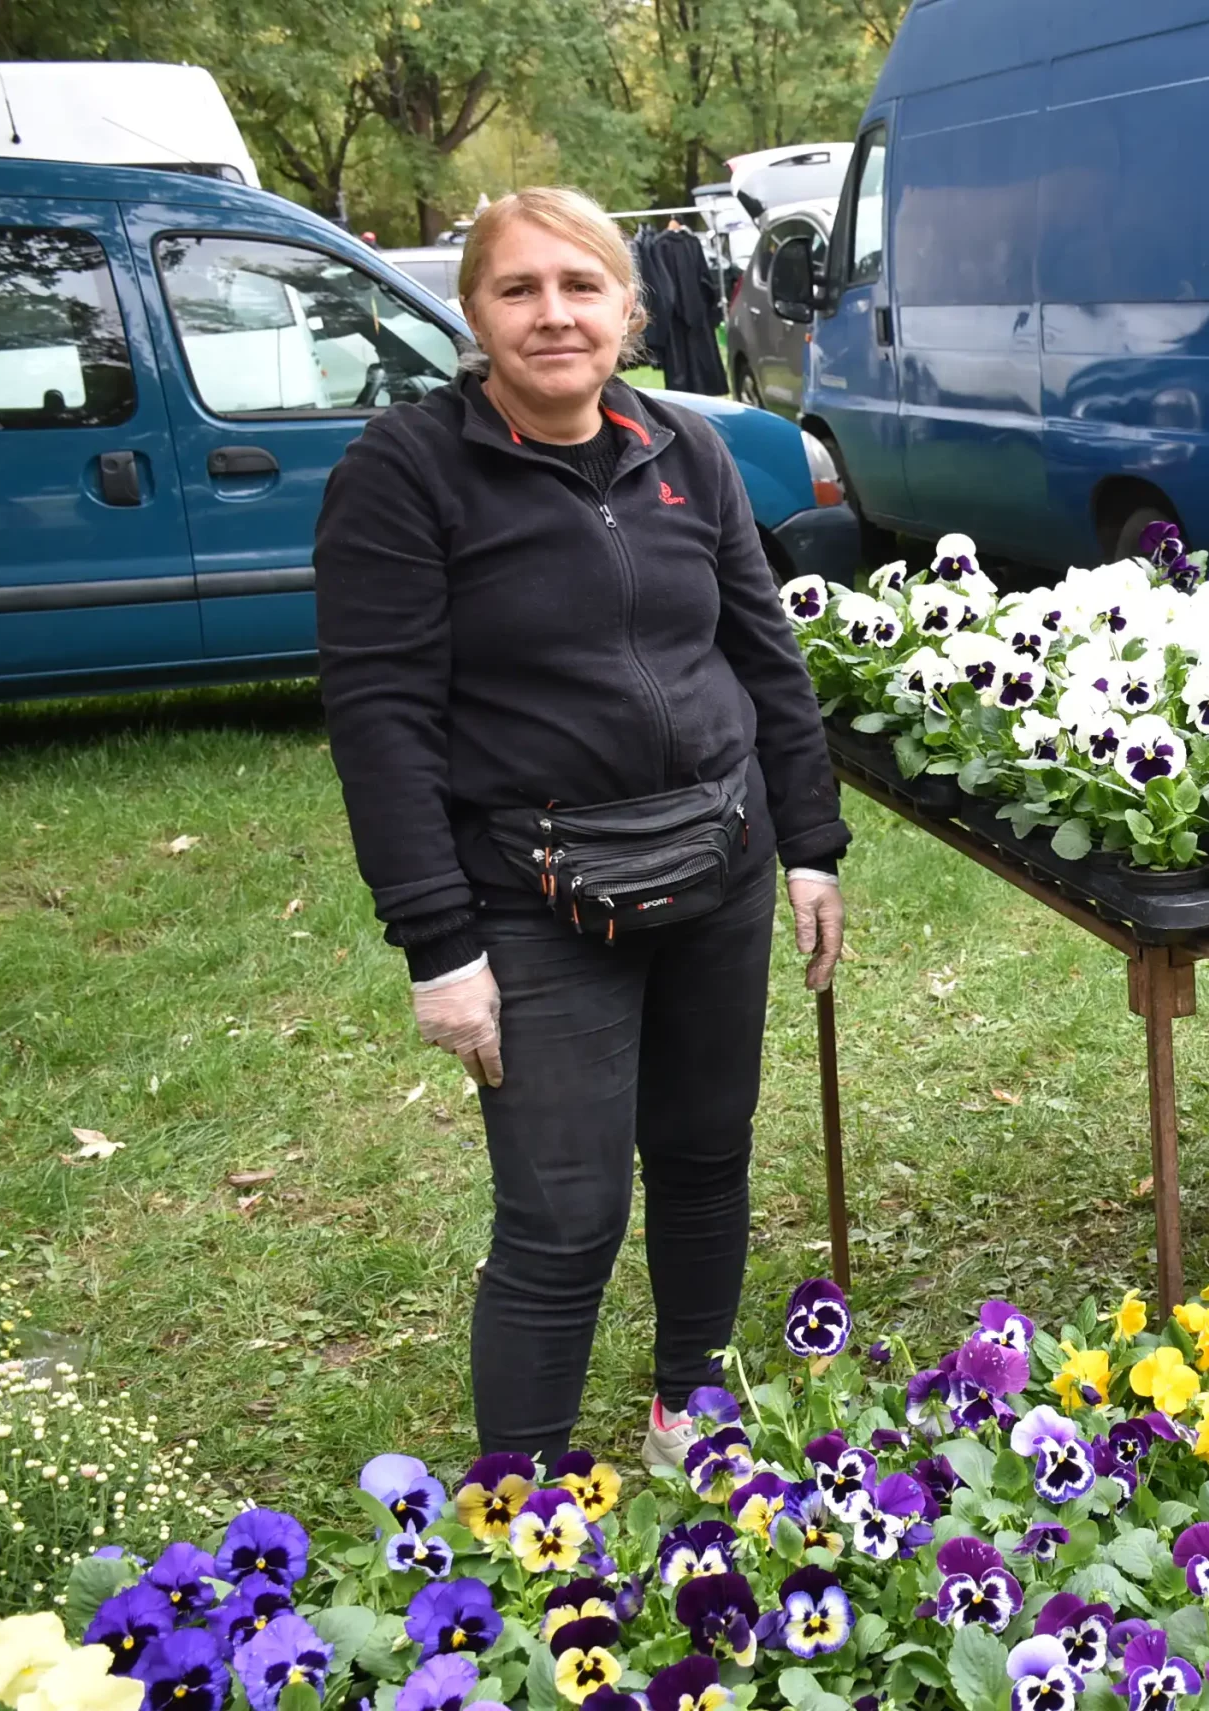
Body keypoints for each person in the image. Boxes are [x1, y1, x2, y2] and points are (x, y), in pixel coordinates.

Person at [312, 186, 849, 1468]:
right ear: (473, 313)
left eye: (580, 286)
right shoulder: (405, 474)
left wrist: (810, 844)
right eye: (519, 289)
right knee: (563, 1214)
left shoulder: (687, 447)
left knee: (706, 1158)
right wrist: (439, 947)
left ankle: (689, 1413)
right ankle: (524, 1495)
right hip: (534, 895)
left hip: (718, 864)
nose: (553, 314)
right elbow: (382, 720)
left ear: (628, 307)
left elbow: (761, 654)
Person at [642, 215, 726, 393]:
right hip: (697, 309)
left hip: (673, 314)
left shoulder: (659, 245)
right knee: (700, 354)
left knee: (679, 363)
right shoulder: (691, 243)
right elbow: (706, 279)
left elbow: (659, 284)